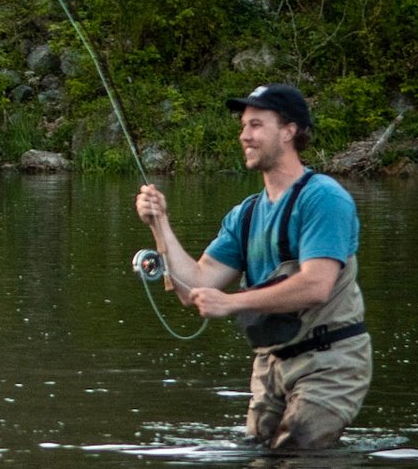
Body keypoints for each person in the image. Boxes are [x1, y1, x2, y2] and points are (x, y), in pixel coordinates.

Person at [135, 83, 371, 450]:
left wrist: (232, 302)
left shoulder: (323, 198)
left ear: (289, 131)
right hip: (271, 365)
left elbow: (316, 285)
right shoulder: (244, 215)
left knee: (296, 461)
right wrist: (159, 225)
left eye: (256, 125)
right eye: (244, 126)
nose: (245, 135)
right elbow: (194, 284)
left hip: (330, 362)